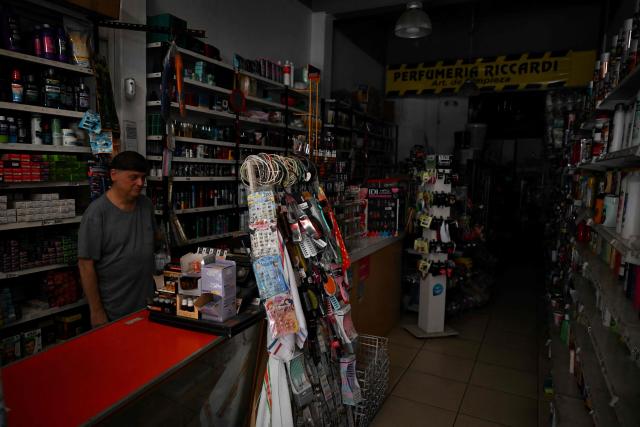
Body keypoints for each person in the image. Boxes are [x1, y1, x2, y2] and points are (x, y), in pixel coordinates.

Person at [78, 151, 159, 327]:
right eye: (134, 177)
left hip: (148, 304)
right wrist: (97, 311)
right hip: (114, 309)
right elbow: (85, 265)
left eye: (143, 178)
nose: (140, 183)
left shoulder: (146, 205)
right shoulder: (96, 213)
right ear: (113, 174)